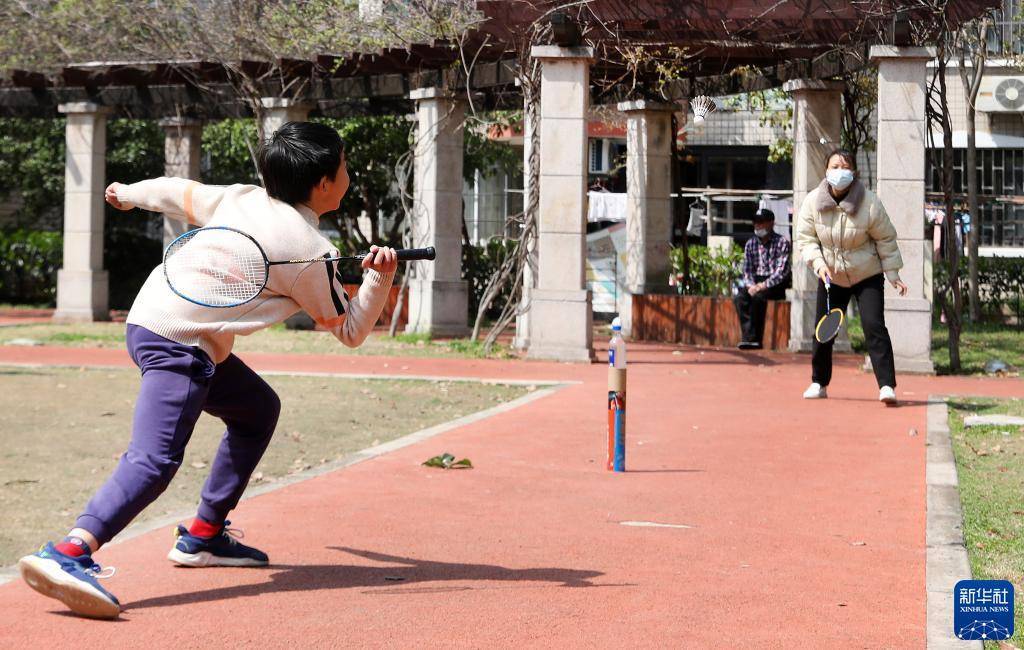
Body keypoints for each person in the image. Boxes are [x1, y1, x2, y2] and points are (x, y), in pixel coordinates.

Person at [17, 122, 399, 619]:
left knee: (257, 409)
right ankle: (70, 551)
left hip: (150, 321)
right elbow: (349, 330)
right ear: (324, 183)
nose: (349, 173)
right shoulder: (311, 253)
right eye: (345, 166)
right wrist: (381, 278)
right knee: (155, 460)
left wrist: (130, 194)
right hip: (179, 342)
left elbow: (176, 193)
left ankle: (203, 536)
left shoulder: (242, 198)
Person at [796, 148, 908, 404]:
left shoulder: (869, 202)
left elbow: (886, 239)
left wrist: (893, 274)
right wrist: (818, 263)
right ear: (826, 171)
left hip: (866, 274)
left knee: (873, 326)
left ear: (854, 172)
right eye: (834, 167)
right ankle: (818, 382)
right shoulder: (813, 202)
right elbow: (806, 239)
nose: (839, 171)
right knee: (823, 331)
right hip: (831, 276)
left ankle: (887, 386)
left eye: (844, 167)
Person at [734, 208, 791, 350]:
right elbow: (746, 270)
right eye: (755, 222)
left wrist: (762, 286)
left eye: (761, 222)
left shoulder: (782, 242)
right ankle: (748, 337)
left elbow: (781, 272)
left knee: (758, 298)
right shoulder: (750, 244)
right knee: (740, 298)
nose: (757, 225)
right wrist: (751, 285)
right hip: (755, 282)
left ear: (771, 223)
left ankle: (755, 339)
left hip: (774, 284)